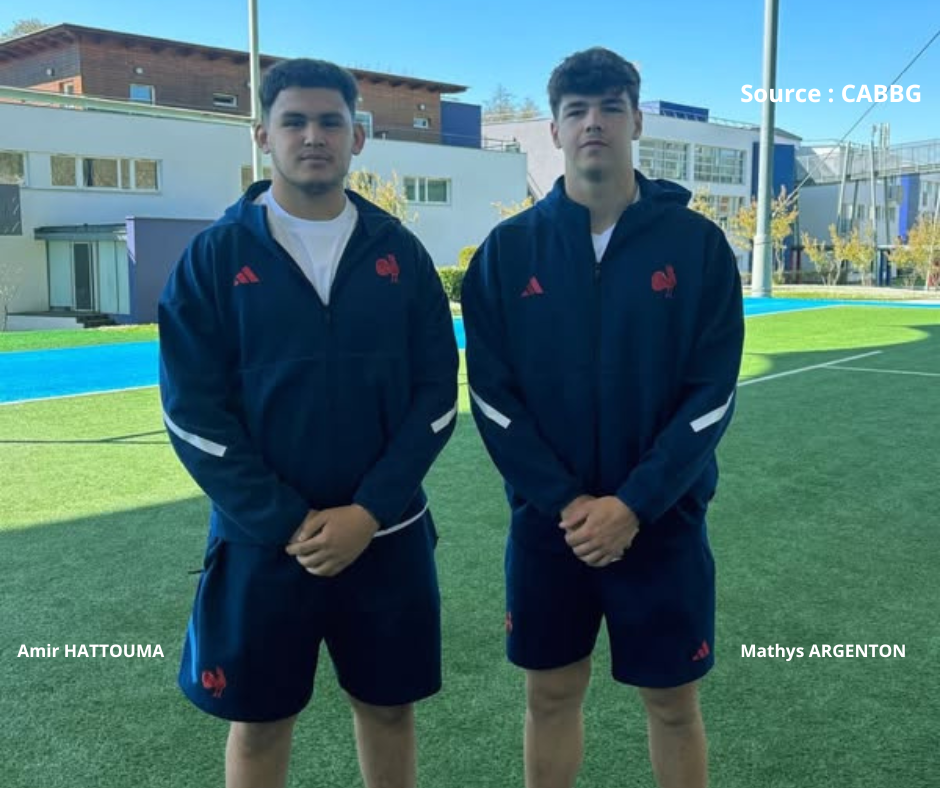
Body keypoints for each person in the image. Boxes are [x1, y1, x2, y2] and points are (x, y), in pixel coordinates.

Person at [158, 58, 458, 788]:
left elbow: (437, 396)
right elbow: (191, 413)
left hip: (384, 538)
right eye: (294, 121)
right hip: (263, 545)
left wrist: (368, 510)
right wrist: (287, 520)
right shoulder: (214, 257)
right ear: (263, 134)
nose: (313, 136)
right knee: (259, 726)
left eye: (331, 122)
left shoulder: (401, 254)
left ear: (359, 137)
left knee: (388, 712)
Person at [461, 47, 744, 788]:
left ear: (635, 122)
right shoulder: (506, 252)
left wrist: (634, 504)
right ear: (553, 131)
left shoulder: (698, 248)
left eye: (610, 108)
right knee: (550, 696)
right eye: (577, 111)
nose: (594, 123)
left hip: (663, 523)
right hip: (548, 529)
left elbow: (711, 392)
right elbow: (490, 397)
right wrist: (570, 503)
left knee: (673, 704)